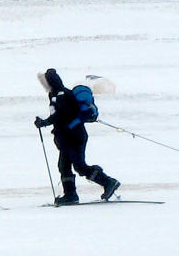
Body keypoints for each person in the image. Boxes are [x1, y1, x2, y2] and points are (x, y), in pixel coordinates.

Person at [34, 68, 120, 205]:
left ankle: (108, 182)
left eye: (44, 82)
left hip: (74, 136)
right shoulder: (54, 94)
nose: (43, 85)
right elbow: (57, 115)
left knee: (79, 166)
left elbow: (61, 115)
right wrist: (45, 122)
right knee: (64, 165)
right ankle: (70, 195)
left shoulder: (63, 95)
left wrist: (45, 122)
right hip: (67, 136)